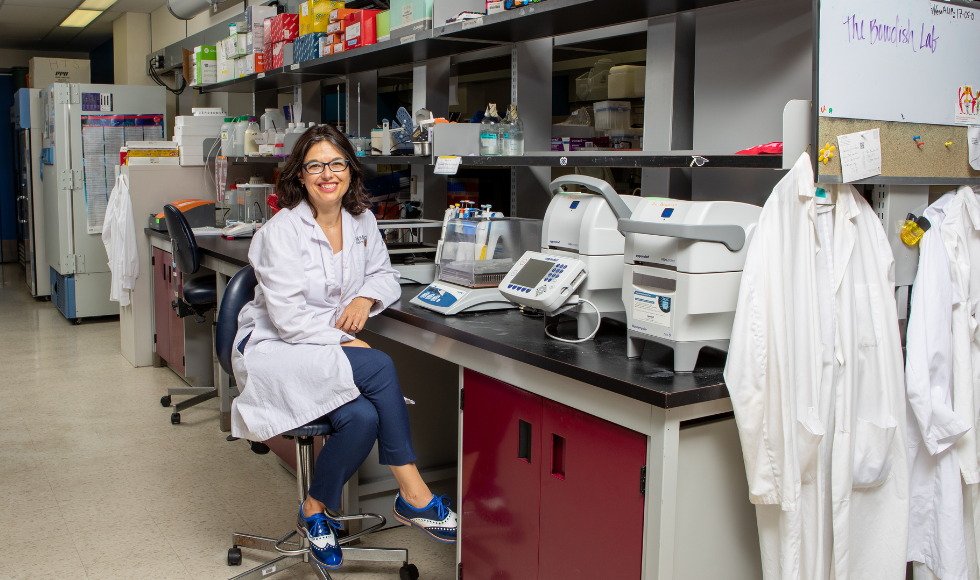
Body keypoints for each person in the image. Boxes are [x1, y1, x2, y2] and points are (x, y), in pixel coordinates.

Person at [229, 125, 457, 572]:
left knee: (363, 416)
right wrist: (343, 338)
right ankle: (414, 495)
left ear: (350, 170)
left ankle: (313, 512)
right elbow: (290, 322)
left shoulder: (362, 222)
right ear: (300, 175)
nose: (327, 174)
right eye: (315, 165)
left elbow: (385, 276)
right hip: (276, 347)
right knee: (377, 364)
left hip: (320, 347)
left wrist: (364, 298)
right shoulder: (281, 232)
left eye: (336, 163)